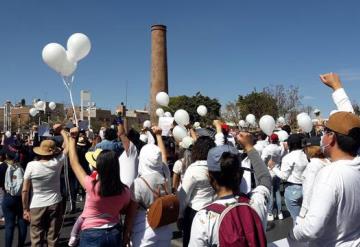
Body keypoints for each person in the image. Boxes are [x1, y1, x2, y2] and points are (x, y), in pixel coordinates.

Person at [189, 132, 271, 246]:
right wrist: (249, 146)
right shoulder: (256, 202)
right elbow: (265, 178)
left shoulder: (204, 217)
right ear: (241, 174)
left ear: (210, 176)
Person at [290, 111, 360, 246]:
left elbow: (311, 229)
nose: (322, 136)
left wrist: (293, 234)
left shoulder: (330, 173)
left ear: (331, 137)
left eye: (324, 131)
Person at [68, 126, 137, 247]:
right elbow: (125, 209)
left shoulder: (92, 185)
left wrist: (73, 139)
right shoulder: (124, 191)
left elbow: (74, 163)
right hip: (114, 232)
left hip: (91, 233)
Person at [22, 124, 68, 247]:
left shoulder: (31, 165)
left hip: (36, 204)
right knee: (52, 238)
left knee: (36, 239)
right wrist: (62, 131)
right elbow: (67, 147)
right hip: (55, 203)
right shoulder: (56, 163)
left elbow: (25, 190)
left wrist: (25, 209)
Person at [131, 126, 172, 247]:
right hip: (165, 227)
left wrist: (127, 231)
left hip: (143, 229)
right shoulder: (165, 173)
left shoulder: (138, 183)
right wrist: (158, 136)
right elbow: (163, 157)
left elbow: (131, 212)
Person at [177, 135, 216, 247]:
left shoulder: (194, 169)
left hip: (195, 212)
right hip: (213, 211)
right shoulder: (215, 167)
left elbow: (184, 196)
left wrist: (180, 215)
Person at [269, 134, 308, 221]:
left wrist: (273, 168)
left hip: (292, 188)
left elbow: (284, 176)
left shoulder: (288, 158)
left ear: (290, 144)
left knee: (297, 220)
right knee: (306, 218)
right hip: (307, 187)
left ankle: (298, 234)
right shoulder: (306, 155)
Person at [299, 136, 330, 218]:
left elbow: (309, 189)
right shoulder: (327, 161)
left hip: (314, 207)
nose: (305, 152)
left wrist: (303, 213)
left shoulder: (313, 165)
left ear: (310, 149)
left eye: (305, 149)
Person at [2, 147, 27, 247]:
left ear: (7, 155)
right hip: (21, 197)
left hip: (8, 197)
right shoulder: (23, 164)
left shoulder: (2, 167)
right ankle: (20, 245)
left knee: (9, 226)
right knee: (22, 223)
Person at [261, 133, 283, 221]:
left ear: (270, 140)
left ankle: (270, 213)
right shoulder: (279, 148)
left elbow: (262, 160)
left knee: (270, 193)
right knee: (277, 192)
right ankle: (280, 213)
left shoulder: (267, 149)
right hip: (277, 172)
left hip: (269, 172)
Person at [0, 149, 7, 222]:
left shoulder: (3, 165)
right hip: (2, 186)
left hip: (2, 186)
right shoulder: (5, 165)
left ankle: (2, 215)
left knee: (1, 200)